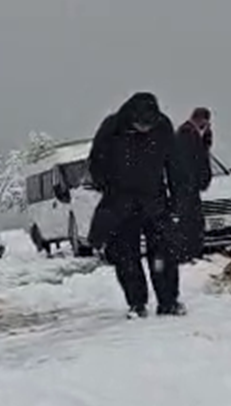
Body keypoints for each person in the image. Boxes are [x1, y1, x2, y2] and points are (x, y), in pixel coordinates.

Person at [87, 92, 189, 318]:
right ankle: (136, 303)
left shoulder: (162, 127)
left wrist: (177, 200)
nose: (145, 129)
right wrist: (107, 186)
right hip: (121, 201)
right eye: (140, 125)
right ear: (131, 118)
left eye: (148, 126)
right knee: (126, 256)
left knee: (163, 253)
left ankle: (168, 301)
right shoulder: (112, 127)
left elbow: (175, 165)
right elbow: (96, 161)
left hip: (155, 199)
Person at [175, 107, 214, 261]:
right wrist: (192, 181)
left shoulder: (194, 134)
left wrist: (206, 139)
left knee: (194, 221)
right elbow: (189, 161)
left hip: (189, 186)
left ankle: (193, 252)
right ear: (201, 119)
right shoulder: (186, 133)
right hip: (186, 186)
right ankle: (188, 253)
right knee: (190, 221)